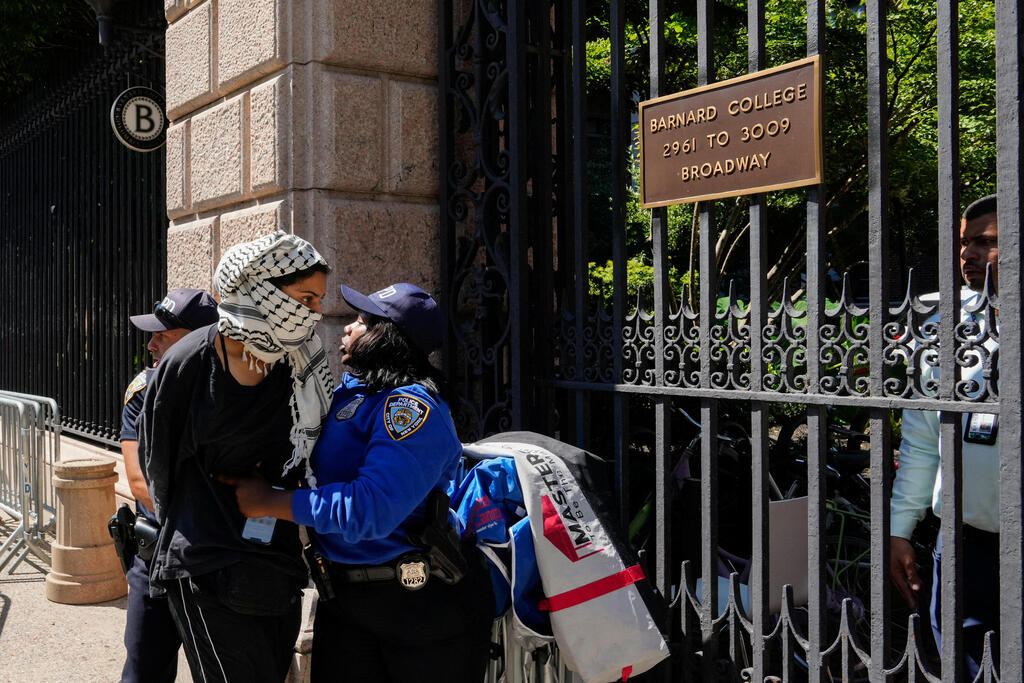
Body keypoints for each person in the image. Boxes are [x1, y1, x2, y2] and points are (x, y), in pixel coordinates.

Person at [223, 283, 494, 683]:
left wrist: (272, 502)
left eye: (363, 321)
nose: (349, 327)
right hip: (346, 603)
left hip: (418, 612)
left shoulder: (410, 407)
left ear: (389, 337)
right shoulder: (353, 392)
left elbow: (371, 509)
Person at [138, 231, 335, 683]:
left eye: (319, 300)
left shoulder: (302, 359)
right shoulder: (190, 359)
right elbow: (158, 461)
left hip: (277, 563)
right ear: (263, 285)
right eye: (305, 297)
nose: (315, 312)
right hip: (205, 562)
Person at [889, 193, 1000, 677]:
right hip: (963, 544)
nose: (968, 254)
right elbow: (921, 438)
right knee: (962, 661)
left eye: (986, 242)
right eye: (963, 243)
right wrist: (900, 527)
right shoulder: (944, 321)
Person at [119, 288, 219, 683]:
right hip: (156, 556)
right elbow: (140, 482)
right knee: (144, 667)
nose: (151, 342)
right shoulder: (143, 390)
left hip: (215, 559)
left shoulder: (230, 390)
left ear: (198, 337)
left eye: (163, 333)